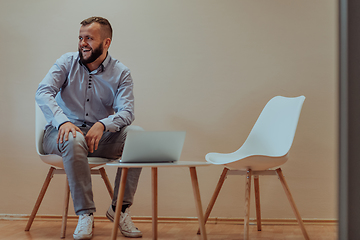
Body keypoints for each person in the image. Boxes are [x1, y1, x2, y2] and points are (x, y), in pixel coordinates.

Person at [35, 16, 142, 239]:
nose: (83, 43)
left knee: (137, 137)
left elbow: (127, 112)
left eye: (89, 38)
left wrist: (103, 124)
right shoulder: (66, 62)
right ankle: (85, 214)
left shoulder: (121, 73)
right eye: (81, 38)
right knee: (74, 139)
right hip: (60, 134)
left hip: (97, 138)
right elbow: (43, 92)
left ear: (106, 43)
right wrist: (63, 121)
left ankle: (119, 209)